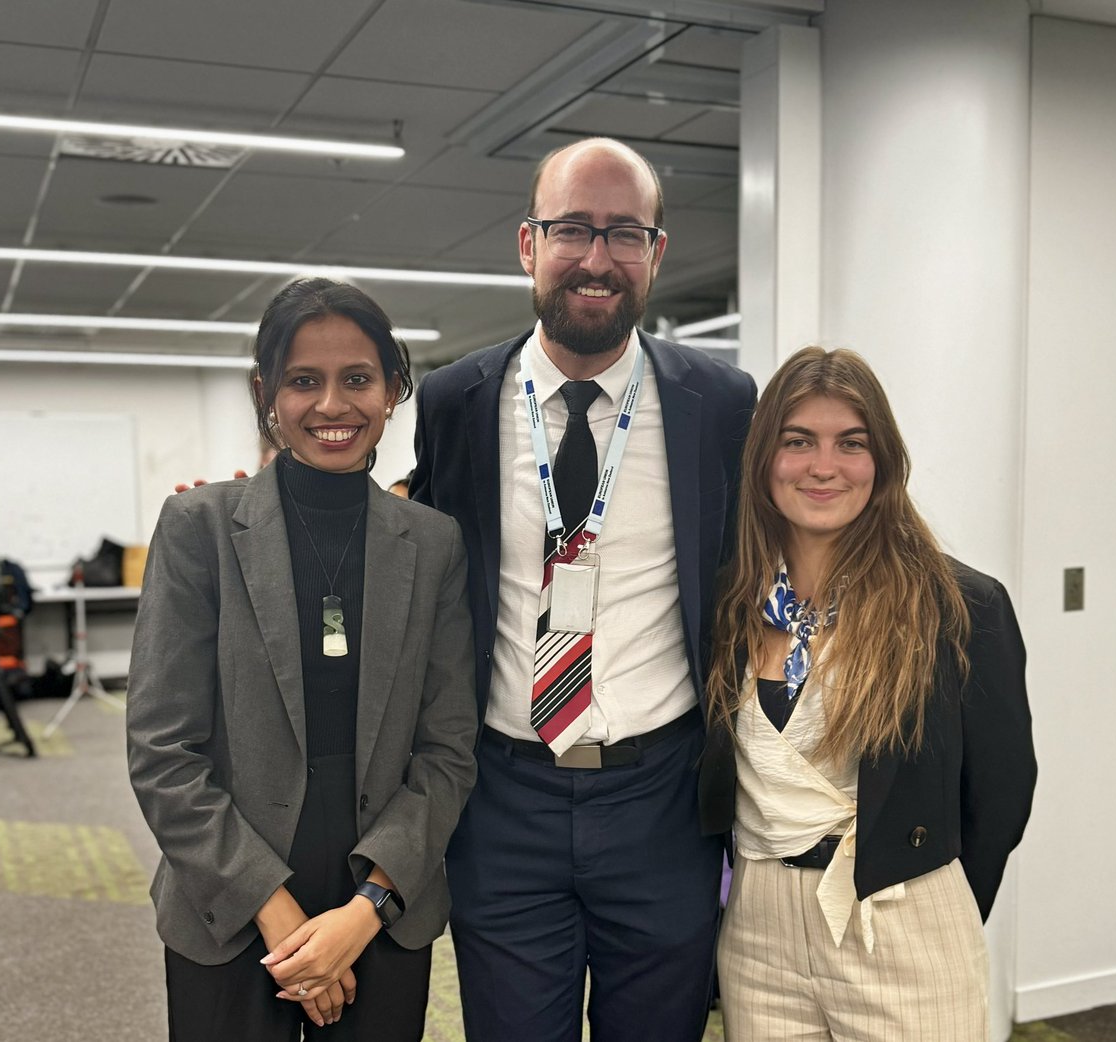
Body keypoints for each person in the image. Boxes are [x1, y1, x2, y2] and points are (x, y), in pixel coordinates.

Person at [411, 136, 757, 1041]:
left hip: (663, 803)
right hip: (503, 799)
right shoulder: (454, 401)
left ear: (656, 252)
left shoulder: (719, 404)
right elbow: (426, 574)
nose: (597, 259)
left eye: (624, 234)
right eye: (572, 230)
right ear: (528, 245)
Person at [127, 278, 478, 1041]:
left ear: (392, 391)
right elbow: (163, 752)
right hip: (226, 907)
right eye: (303, 381)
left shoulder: (433, 543)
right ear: (267, 393)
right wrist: (280, 917)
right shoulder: (200, 529)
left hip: (379, 910)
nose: (332, 406)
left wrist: (363, 913)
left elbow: (448, 751)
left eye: (357, 379)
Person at [701, 347, 1036, 1041]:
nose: (824, 466)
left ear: (882, 461)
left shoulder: (959, 605)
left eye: (851, 443)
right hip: (760, 929)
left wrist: (928, 906)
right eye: (799, 442)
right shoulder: (730, 601)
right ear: (765, 459)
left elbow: (1001, 795)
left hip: (899, 915)